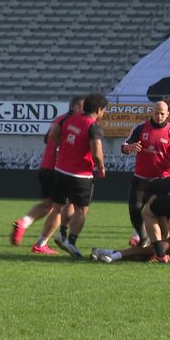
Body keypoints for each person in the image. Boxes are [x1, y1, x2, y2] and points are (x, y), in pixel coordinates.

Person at [9, 96, 84, 254]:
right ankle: (41, 244)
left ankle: (23, 222)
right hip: (59, 169)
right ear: (76, 106)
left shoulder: (59, 119)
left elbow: (47, 139)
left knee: (47, 205)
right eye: (84, 106)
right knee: (60, 207)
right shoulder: (76, 122)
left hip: (45, 166)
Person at [43, 93, 108, 259]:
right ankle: (71, 241)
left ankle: (62, 234)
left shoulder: (68, 119)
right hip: (80, 174)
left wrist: (64, 147)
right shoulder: (93, 126)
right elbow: (97, 151)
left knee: (61, 206)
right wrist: (100, 166)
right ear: (99, 110)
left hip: (60, 170)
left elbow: (52, 135)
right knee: (81, 210)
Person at [121, 100, 170, 247]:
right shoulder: (140, 128)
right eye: (156, 113)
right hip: (141, 178)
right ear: (151, 112)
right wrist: (129, 147)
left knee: (161, 214)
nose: (159, 116)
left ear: (167, 114)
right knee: (135, 209)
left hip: (164, 181)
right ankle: (143, 238)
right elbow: (124, 146)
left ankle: (163, 244)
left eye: (162, 113)